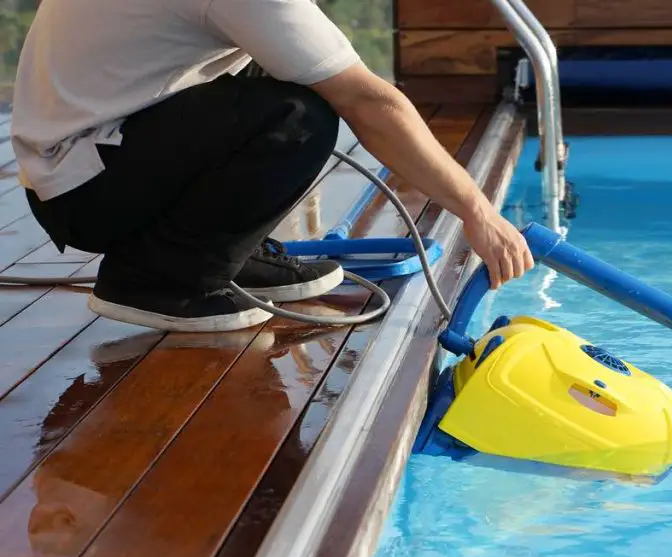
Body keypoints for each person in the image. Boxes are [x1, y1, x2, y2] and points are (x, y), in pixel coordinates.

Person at [11, 0, 534, 333]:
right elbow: (370, 103)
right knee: (297, 116)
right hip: (85, 186)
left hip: (78, 166)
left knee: (284, 73)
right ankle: (159, 280)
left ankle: (229, 253)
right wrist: (478, 212)